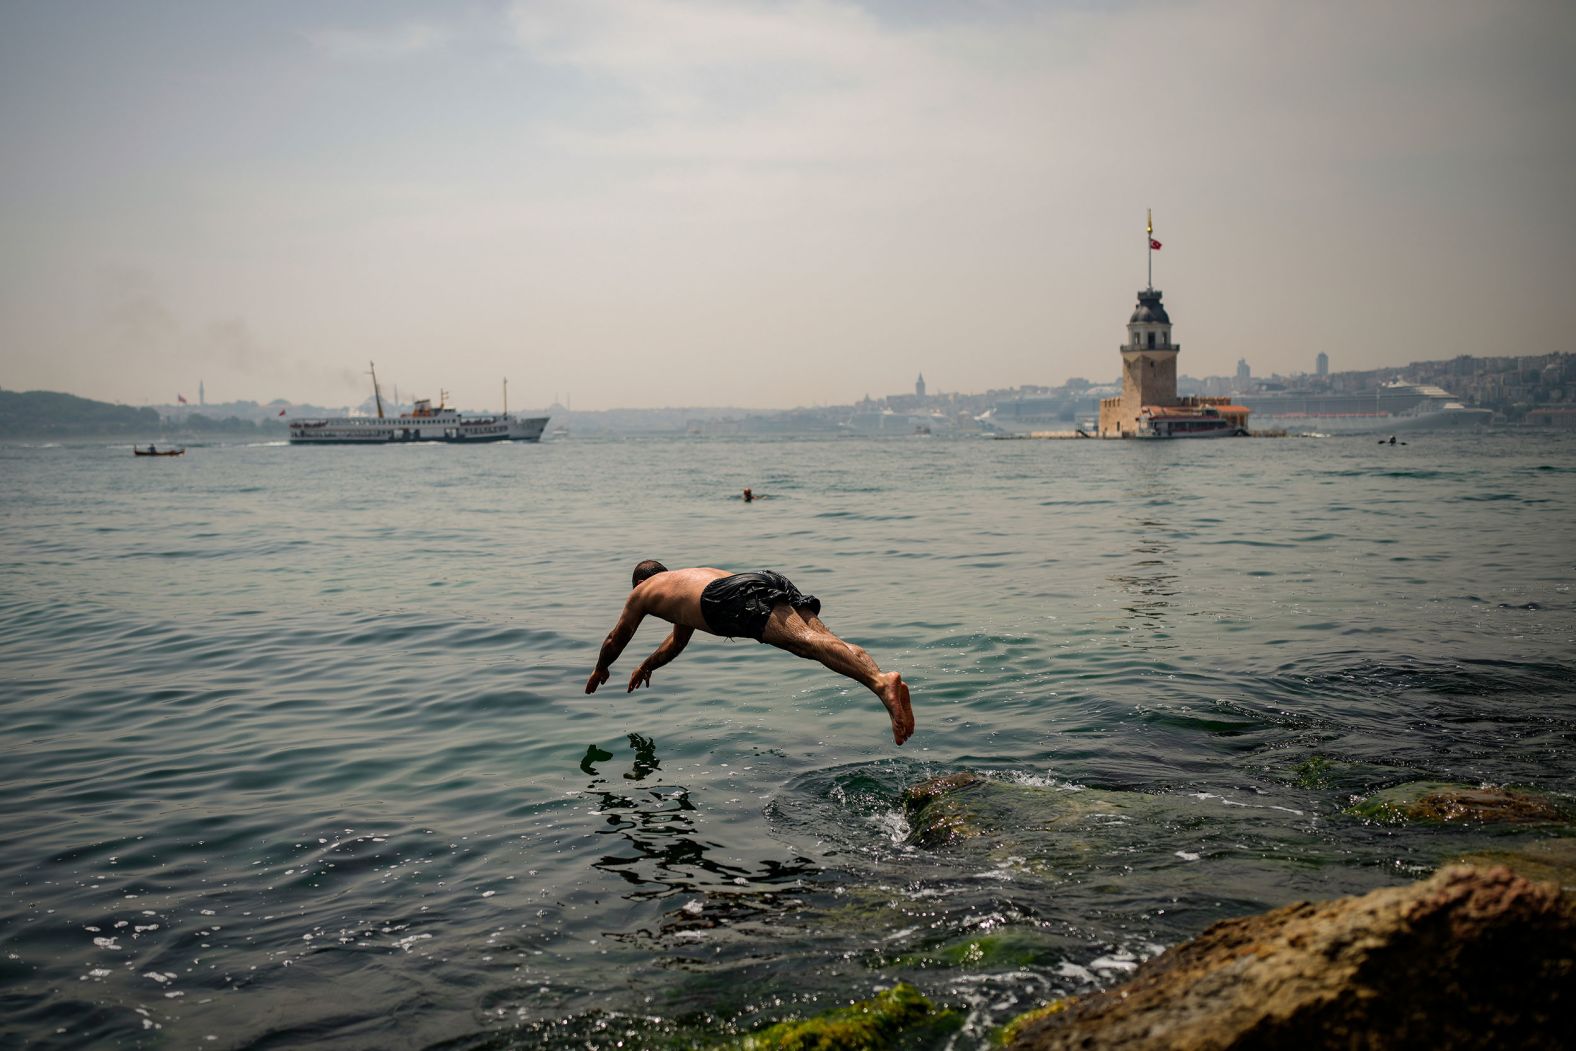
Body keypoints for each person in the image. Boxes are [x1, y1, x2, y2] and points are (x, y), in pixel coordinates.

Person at [585, 562, 914, 745]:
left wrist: (601, 668)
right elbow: (677, 642)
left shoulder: (643, 591)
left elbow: (617, 637)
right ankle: (885, 684)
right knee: (823, 641)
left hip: (726, 597)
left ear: (639, 583)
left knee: (805, 643)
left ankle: (880, 683)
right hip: (762, 577)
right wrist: (647, 665)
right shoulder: (682, 581)